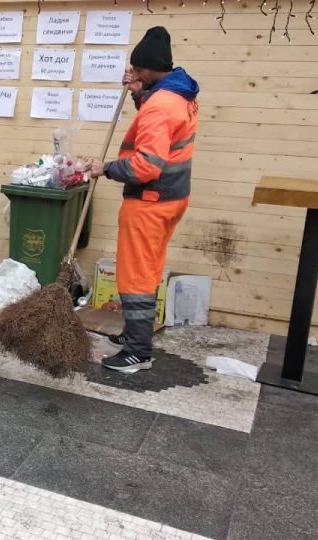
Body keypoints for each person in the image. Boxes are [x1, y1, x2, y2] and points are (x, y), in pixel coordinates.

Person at [85, 26, 200, 372]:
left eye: (137, 70)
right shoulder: (180, 93)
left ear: (150, 69)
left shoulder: (160, 106)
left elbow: (146, 166)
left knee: (135, 274)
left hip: (149, 201)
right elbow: (163, 133)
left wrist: (105, 168)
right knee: (149, 269)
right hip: (172, 198)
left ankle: (138, 352)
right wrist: (139, 92)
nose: (132, 74)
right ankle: (136, 333)